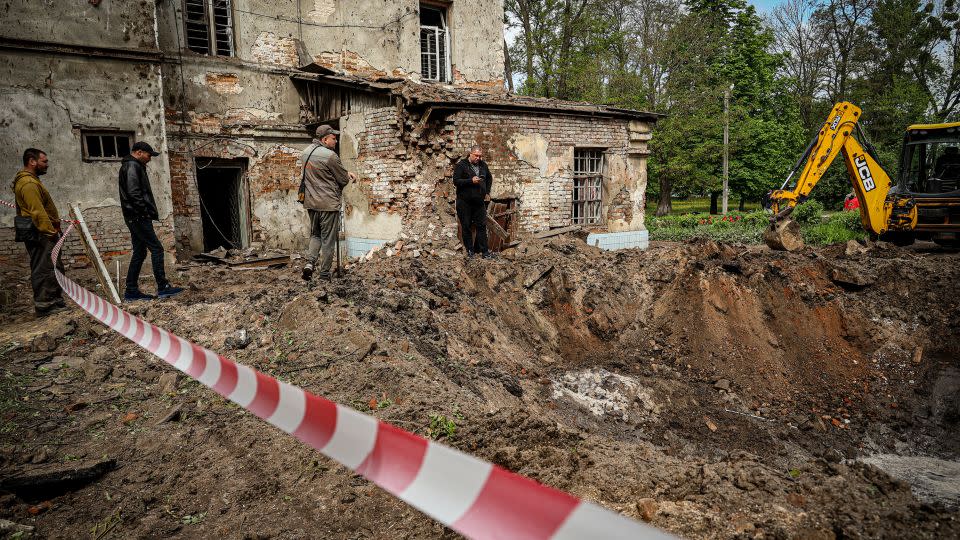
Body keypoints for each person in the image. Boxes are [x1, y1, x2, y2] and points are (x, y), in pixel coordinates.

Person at [119, 141, 183, 301]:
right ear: (139, 152)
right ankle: (163, 287)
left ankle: (131, 291)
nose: (150, 159)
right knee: (157, 249)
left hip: (134, 216)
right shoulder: (132, 166)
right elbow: (134, 193)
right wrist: (144, 212)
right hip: (138, 216)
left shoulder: (132, 165)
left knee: (140, 252)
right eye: (149, 155)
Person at [12, 148, 67, 317]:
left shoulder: (32, 181)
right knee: (44, 267)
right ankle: (45, 304)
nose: (47, 165)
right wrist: (50, 231)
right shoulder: (28, 184)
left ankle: (55, 298)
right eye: (44, 161)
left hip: (43, 231)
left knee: (52, 266)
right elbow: (37, 212)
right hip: (40, 233)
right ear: (32, 161)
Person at [300, 124, 355, 281]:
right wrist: (347, 175)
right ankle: (324, 275)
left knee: (315, 235)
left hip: (311, 202)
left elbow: (320, 173)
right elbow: (343, 179)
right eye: (333, 138)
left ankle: (310, 264)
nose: (336, 141)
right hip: (328, 204)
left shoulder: (306, 153)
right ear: (324, 139)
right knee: (328, 240)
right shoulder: (330, 156)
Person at [453, 145, 493, 258]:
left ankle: (485, 252)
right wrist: (470, 181)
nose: (478, 158)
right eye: (476, 156)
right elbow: (456, 181)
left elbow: (489, 178)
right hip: (464, 202)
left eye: (480, 156)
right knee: (466, 226)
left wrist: (487, 192)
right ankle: (470, 251)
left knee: (481, 226)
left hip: (479, 202)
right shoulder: (462, 165)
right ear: (470, 154)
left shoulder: (483, 165)